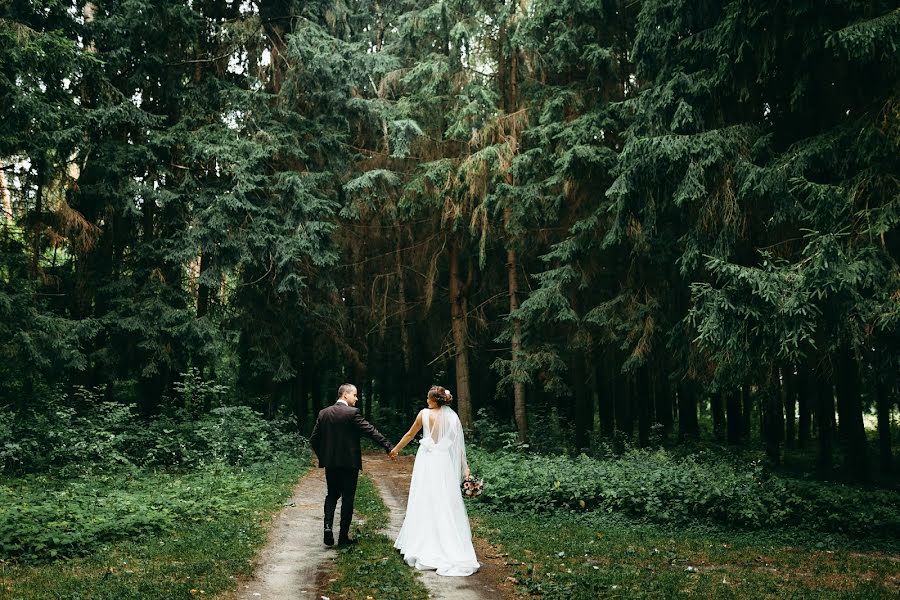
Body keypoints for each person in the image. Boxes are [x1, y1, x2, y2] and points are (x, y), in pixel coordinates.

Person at [389, 385, 480, 576]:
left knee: (424, 497)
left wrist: (396, 449)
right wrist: (465, 468)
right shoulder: (452, 418)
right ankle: (448, 542)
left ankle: (421, 541)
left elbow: (410, 434)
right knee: (444, 499)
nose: (426, 400)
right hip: (444, 463)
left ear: (434, 400)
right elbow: (458, 447)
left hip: (427, 462)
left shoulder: (424, 414)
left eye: (428, 397)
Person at [310, 383, 394, 546]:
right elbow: (370, 431)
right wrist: (388, 446)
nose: (356, 399)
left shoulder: (324, 413)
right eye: (355, 395)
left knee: (332, 495)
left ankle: (327, 527)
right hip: (350, 464)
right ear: (345, 395)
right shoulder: (352, 413)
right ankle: (343, 538)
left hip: (331, 464)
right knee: (347, 498)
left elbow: (313, 439)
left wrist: (324, 456)